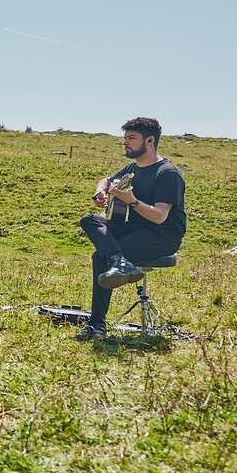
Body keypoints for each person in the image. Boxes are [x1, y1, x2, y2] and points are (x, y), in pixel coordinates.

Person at [76, 117, 186, 340]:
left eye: (132, 138)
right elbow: (106, 180)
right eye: (125, 138)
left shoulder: (167, 173)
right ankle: (119, 262)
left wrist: (132, 200)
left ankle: (97, 325)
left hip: (161, 236)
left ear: (150, 140)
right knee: (89, 219)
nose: (126, 143)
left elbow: (160, 217)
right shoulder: (132, 168)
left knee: (100, 257)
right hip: (135, 229)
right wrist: (101, 193)